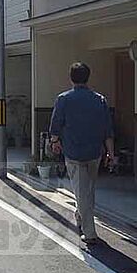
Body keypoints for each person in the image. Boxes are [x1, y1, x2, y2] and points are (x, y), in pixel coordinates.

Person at [49, 62, 114, 246]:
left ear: (71, 78)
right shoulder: (99, 100)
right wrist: (111, 153)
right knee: (88, 191)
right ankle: (80, 216)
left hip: (73, 152)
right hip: (95, 152)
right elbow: (108, 130)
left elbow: (56, 124)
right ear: (88, 77)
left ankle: (90, 233)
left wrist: (54, 142)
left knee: (81, 191)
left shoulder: (64, 99)